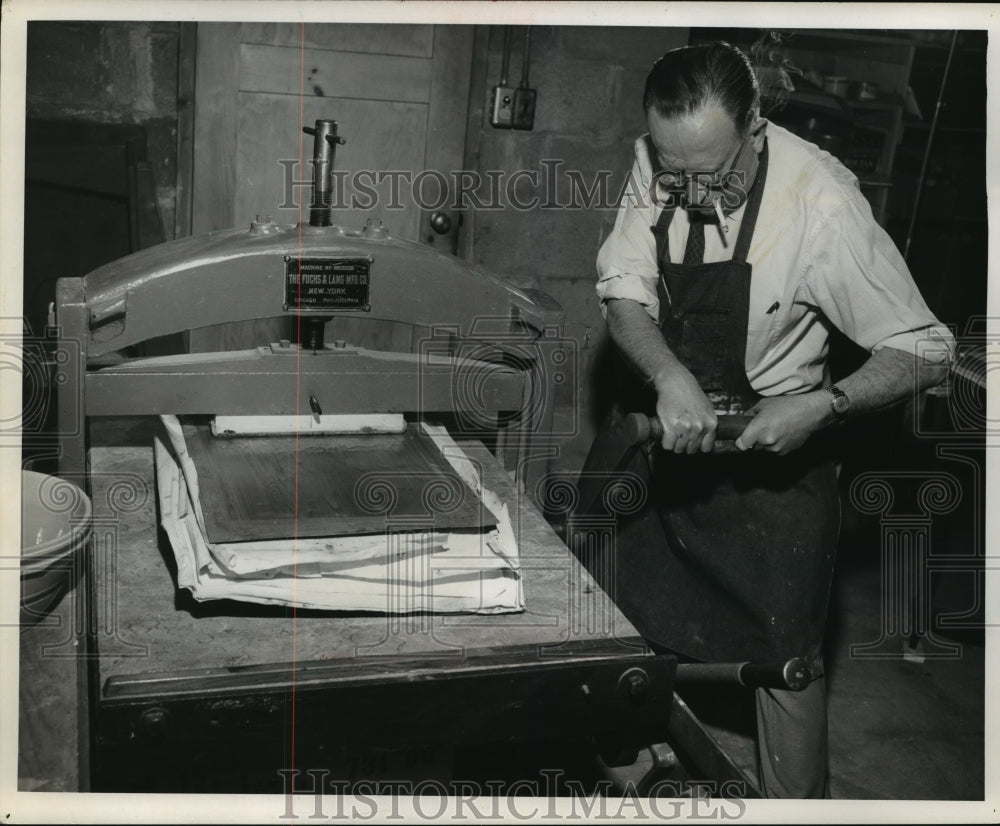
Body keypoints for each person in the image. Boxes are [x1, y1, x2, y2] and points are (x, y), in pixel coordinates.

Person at [590, 41, 954, 798]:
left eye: (713, 175)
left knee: (786, 651)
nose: (689, 193)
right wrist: (669, 376)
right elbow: (624, 292)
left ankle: (798, 808)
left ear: (754, 128)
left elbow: (926, 348)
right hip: (667, 428)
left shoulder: (822, 204)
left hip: (776, 452)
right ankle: (624, 779)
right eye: (673, 175)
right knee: (610, 610)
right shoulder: (664, 154)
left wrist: (826, 405)